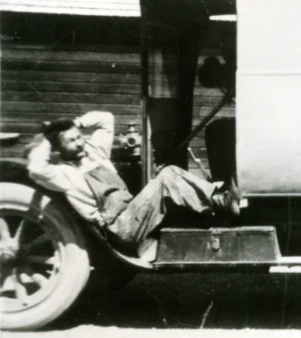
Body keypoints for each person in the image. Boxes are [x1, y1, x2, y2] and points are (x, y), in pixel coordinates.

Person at [26, 111, 239, 261]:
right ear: (59, 148)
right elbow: (36, 168)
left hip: (131, 212)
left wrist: (76, 123)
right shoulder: (65, 174)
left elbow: (106, 119)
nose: (80, 142)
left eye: (79, 137)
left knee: (169, 178)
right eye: (71, 141)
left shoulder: (95, 153)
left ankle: (216, 207)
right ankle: (220, 202)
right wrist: (48, 137)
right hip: (120, 226)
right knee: (168, 176)